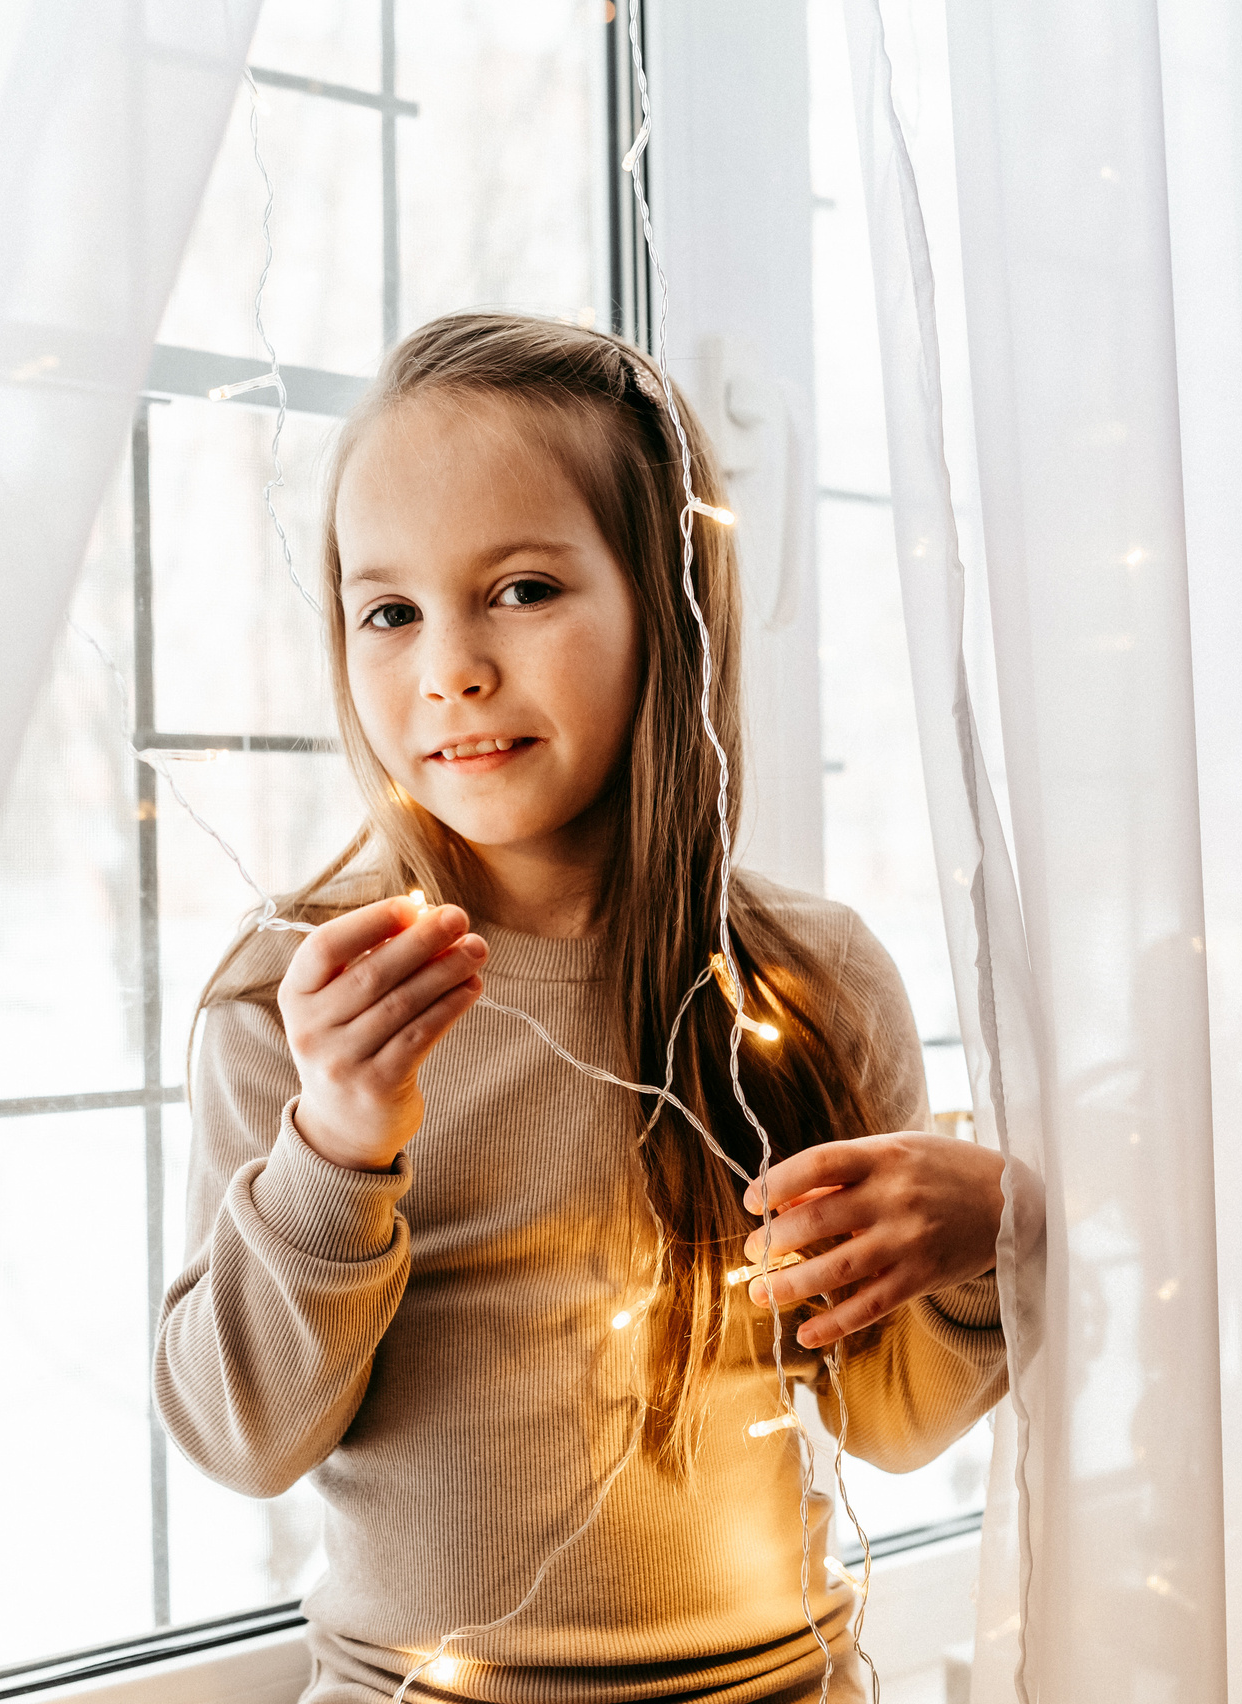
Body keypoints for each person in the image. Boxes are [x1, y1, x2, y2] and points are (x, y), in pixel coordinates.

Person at [154, 311, 1008, 1704]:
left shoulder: (807, 985)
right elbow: (238, 1431)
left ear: (668, 602)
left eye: (524, 590)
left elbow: (892, 1420)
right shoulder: (301, 1004)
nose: (449, 670)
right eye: (391, 611)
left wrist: (983, 1243)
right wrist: (336, 1145)